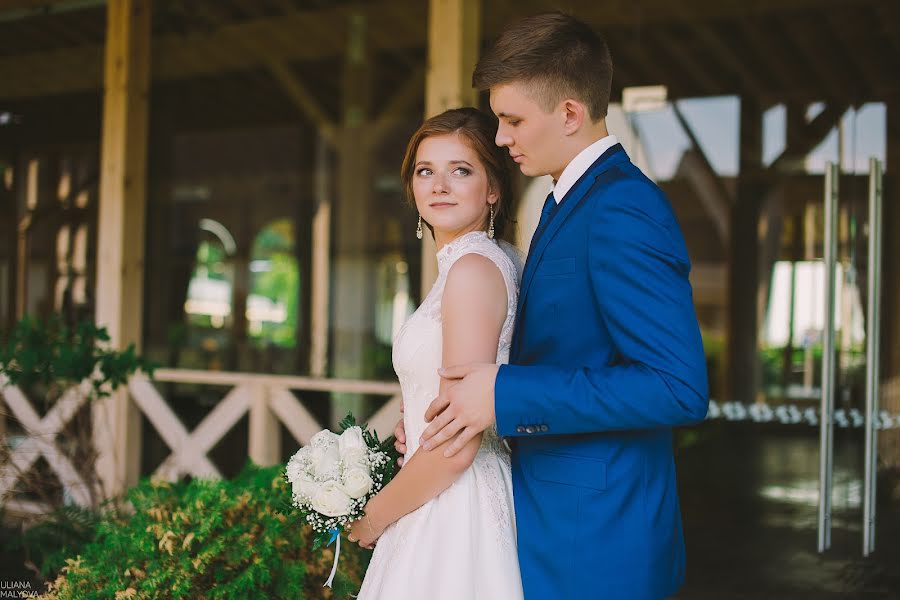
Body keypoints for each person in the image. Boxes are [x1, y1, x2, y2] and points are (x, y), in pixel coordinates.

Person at [409, 12, 710, 600]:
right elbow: (559, 346)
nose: (500, 138)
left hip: (599, 543)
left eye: (513, 120)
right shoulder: (562, 203)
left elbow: (677, 386)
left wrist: (505, 394)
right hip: (555, 524)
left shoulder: (623, 207)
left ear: (570, 113)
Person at [347, 107, 524, 600]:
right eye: (426, 171)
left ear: (493, 189)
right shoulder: (486, 262)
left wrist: (373, 517)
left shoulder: (471, 270)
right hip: (435, 485)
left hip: (454, 502)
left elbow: (455, 444)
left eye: (460, 170)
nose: (439, 185)